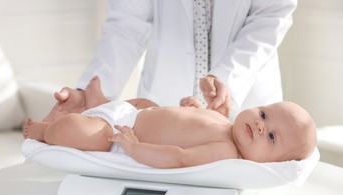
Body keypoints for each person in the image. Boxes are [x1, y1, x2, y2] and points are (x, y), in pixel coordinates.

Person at [44, 0, 297, 123]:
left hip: (248, 101)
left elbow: (272, 13)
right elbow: (127, 23)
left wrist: (228, 79)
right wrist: (90, 93)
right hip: (163, 102)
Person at [24, 76, 317, 169]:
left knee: (78, 133)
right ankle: (101, 104)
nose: (262, 125)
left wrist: (136, 148)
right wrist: (190, 108)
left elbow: (179, 157)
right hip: (136, 113)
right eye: (264, 114)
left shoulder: (226, 151)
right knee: (148, 103)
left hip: (118, 134)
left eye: (272, 138)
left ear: (273, 163)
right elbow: (188, 123)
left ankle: (46, 131)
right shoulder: (225, 123)